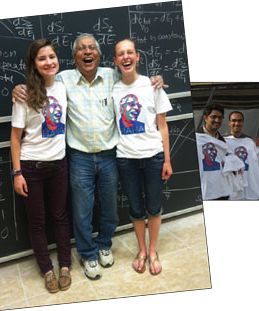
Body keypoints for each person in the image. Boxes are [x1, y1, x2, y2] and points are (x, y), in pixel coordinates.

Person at [12, 33, 165, 280]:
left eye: (92, 48)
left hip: (109, 155)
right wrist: (18, 88)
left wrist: (156, 79)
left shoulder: (113, 76)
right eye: (81, 49)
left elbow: (135, 78)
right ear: (74, 57)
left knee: (110, 209)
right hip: (78, 157)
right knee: (81, 211)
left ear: (100, 55)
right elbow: (39, 82)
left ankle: (104, 244)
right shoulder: (62, 80)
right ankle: (88, 254)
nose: (87, 52)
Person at [11, 39, 71, 292]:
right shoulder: (24, 94)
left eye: (52, 57)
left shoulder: (65, 86)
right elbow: (15, 137)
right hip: (31, 168)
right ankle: (47, 270)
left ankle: (65, 266)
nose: (48, 62)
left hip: (59, 164)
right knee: (37, 222)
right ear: (34, 64)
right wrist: (17, 173)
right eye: (42, 58)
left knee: (60, 216)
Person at [112, 38, 173, 275]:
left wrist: (167, 159)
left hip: (154, 157)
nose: (125, 57)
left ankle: (154, 250)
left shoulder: (152, 85)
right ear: (115, 61)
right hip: (126, 158)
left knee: (154, 206)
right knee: (136, 208)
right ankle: (142, 251)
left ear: (137, 56)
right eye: (120, 54)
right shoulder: (114, 89)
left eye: (130, 52)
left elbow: (163, 126)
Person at [196, 104, 237, 200]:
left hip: (223, 193)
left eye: (220, 118)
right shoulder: (196, 140)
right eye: (213, 117)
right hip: (205, 195)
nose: (217, 120)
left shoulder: (225, 143)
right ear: (205, 118)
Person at [224, 111, 259, 200]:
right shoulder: (223, 142)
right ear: (229, 122)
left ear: (243, 122)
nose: (237, 123)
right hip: (233, 191)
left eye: (239, 121)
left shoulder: (251, 142)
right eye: (234, 120)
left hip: (251, 189)